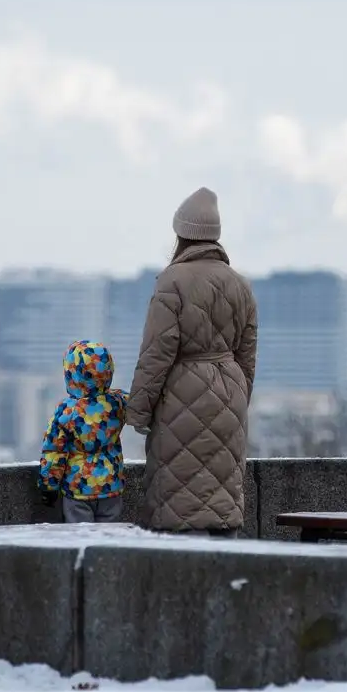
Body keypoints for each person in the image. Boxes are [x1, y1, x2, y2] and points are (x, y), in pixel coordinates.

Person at [127, 186, 258, 537]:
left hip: (181, 395)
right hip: (229, 396)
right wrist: (237, 397)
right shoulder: (240, 285)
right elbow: (247, 356)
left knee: (178, 500)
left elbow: (157, 352)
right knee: (221, 492)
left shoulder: (172, 280)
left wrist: (138, 410)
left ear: (181, 234)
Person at [37, 340, 129, 524]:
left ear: (71, 374)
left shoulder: (66, 411)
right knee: (111, 540)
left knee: (80, 538)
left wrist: (48, 485)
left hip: (78, 489)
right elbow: (143, 406)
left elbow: (54, 451)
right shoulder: (119, 402)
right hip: (111, 486)